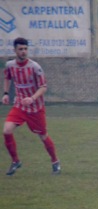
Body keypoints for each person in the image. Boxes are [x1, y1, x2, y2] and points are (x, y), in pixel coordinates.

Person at [2, 37, 61, 176]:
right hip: (20, 106)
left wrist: (32, 98)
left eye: (25, 49)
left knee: (43, 135)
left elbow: (43, 87)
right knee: (6, 130)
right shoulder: (10, 65)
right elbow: (7, 77)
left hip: (35, 108)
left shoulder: (35, 67)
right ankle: (15, 161)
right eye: (20, 49)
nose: (23, 52)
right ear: (15, 50)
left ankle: (55, 161)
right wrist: (5, 93)